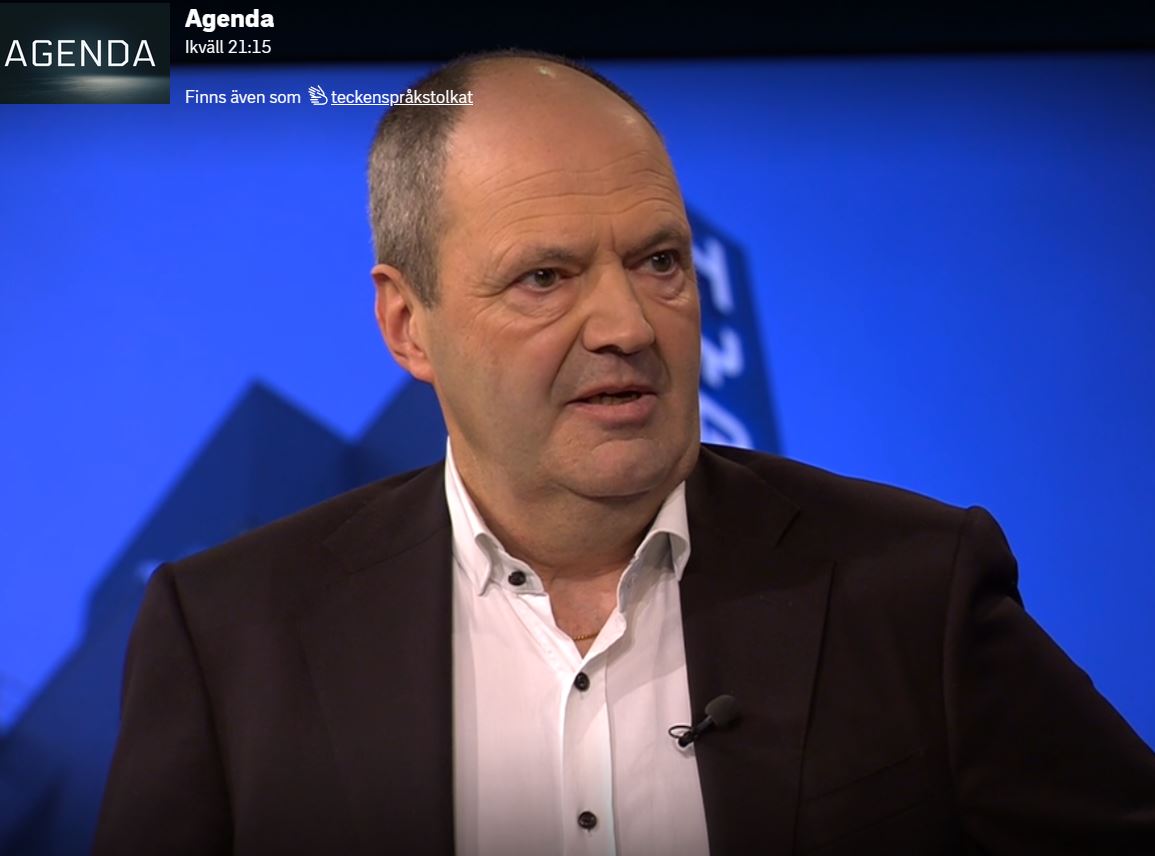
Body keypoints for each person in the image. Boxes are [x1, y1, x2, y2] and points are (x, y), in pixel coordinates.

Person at [94, 50, 1155, 855]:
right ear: (408, 325)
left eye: (658, 261)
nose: (629, 325)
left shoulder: (914, 586)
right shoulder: (229, 637)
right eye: (545, 277)